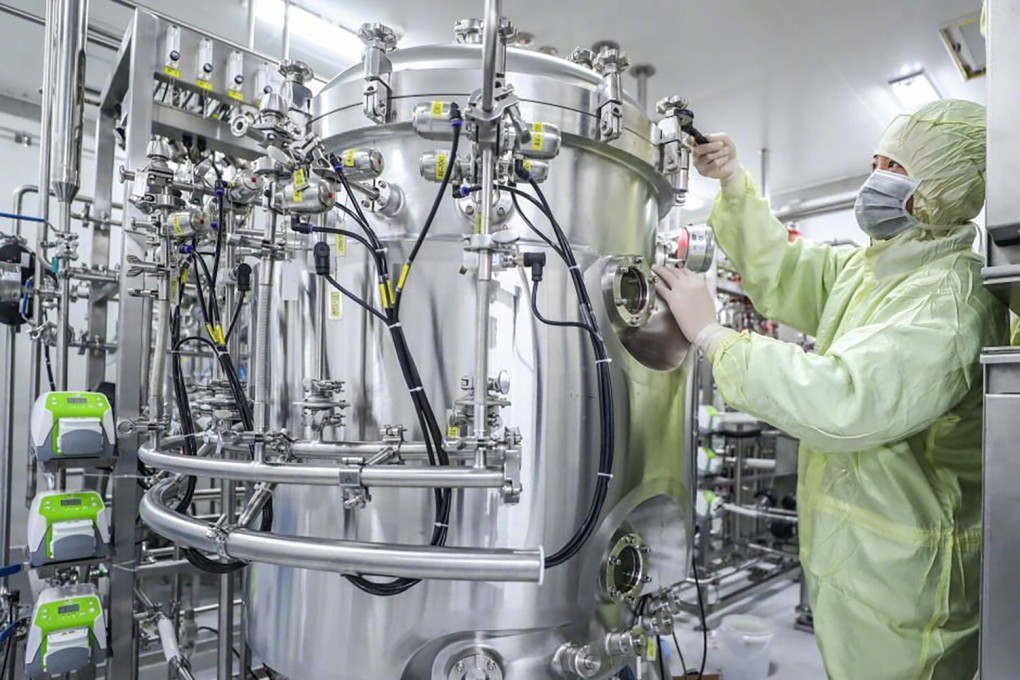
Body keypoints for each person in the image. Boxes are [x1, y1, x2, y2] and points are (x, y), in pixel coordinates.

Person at [653, 99, 1007, 680]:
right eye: (874, 162)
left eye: (891, 167)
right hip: (856, 563)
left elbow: (843, 401)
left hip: (907, 579)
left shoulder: (950, 301)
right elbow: (784, 268)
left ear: (940, 187)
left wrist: (715, 336)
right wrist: (734, 183)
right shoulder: (873, 269)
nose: (873, 180)